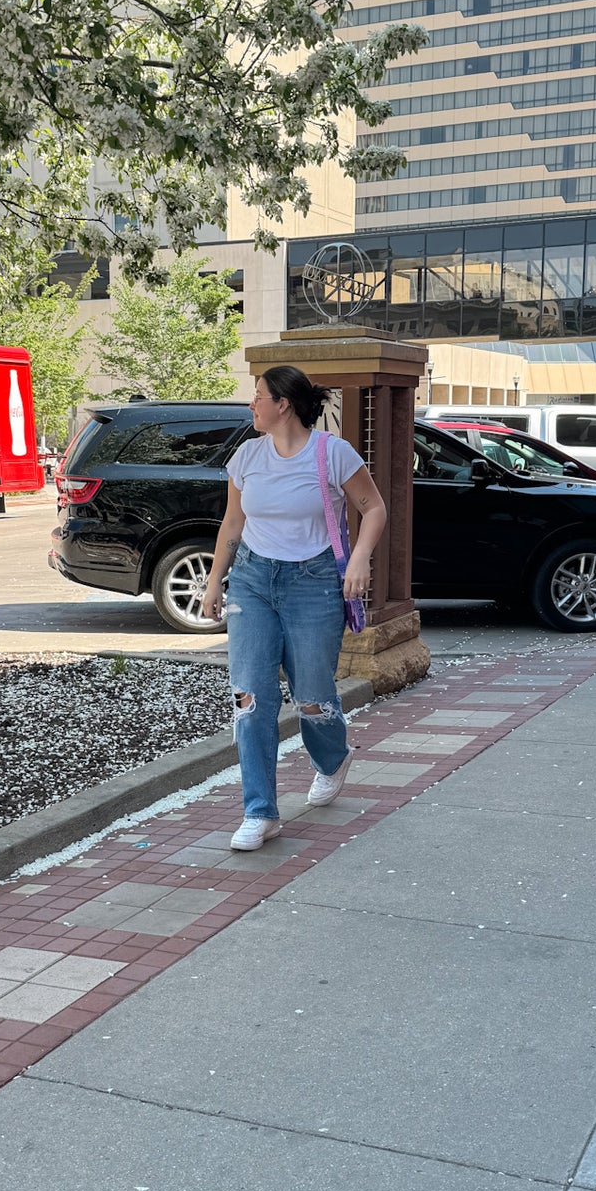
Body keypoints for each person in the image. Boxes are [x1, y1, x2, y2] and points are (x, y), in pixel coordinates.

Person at [201, 365, 387, 851]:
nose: (252, 405)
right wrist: (214, 582)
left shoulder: (332, 453)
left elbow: (374, 508)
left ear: (282, 403)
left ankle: (332, 758)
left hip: (315, 582)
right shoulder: (246, 457)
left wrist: (360, 559)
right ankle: (260, 812)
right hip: (253, 582)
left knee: (312, 696)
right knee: (250, 696)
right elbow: (232, 524)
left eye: (257, 396)